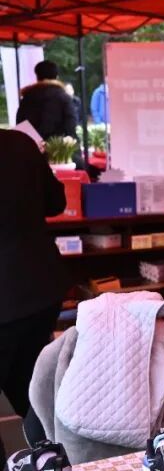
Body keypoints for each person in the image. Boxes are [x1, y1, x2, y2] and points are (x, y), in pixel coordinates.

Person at [0, 129, 70, 462]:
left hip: (9, 302)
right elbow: (57, 202)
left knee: (31, 390)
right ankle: (54, 457)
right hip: (39, 288)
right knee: (35, 391)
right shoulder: (20, 143)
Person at [16, 60, 77, 140]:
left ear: (37, 77)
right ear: (57, 77)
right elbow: (71, 124)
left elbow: (20, 124)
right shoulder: (64, 97)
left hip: (32, 144)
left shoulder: (27, 99)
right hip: (58, 145)